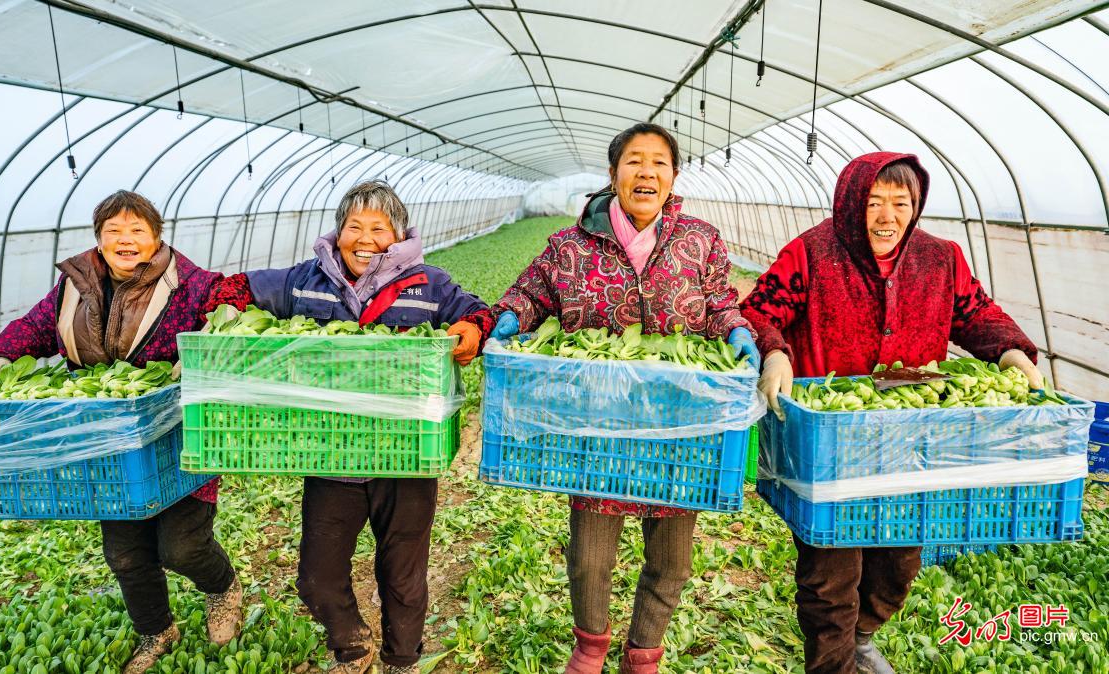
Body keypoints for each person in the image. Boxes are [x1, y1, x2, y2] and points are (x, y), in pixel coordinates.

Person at [740, 152, 1043, 674]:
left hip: (908, 440)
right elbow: (759, 310)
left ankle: (861, 634)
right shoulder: (812, 252)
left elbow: (975, 314)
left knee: (899, 563)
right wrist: (773, 350)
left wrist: (1011, 349)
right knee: (830, 569)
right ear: (851, 203)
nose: (886, 216)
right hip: (831, 440)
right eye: (873, 202)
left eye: (900, 203)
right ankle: (833, 661)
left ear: (916, 205)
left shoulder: (940, 258)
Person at [489, 123, 758, 674]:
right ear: (613, 175)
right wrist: (510, 317)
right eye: (634, 162)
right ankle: (590, 647)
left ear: (674, 176)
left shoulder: (700, 239)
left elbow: (720, 303)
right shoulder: (569, 246)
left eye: (659, 163)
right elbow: (532, 290)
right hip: (598, 419)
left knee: (672, 559)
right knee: (590, 557)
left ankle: (644, 652)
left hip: (676, 421)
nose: (647, 173)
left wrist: (737, 330)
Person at [211, 179, 491, 674]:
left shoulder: (429, 283)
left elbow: (474, 313)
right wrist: (213, 306)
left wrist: (472, 330)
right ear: (338, 232)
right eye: (353, 226)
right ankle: (352, 644)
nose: (365, 238)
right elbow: (240, 290)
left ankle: (401, 659)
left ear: (399, 234)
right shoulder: (305, 281)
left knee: (403, 575)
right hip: (331, 452)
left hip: (406, 456)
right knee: (316, 578)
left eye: (378, 228)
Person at [0, 190, 247, 673]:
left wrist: (213, 334)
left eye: (136, 231)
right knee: (125, 554)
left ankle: (223, 590)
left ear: (156, 236)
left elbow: (233, 295)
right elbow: (35, 328)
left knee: (182, 546)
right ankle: (156, 630)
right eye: (113, 232)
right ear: (99, 240)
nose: (126, 240)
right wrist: (0, 359)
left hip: (178, 437)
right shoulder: (75, 287)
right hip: (110, 440)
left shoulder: (190, 284)